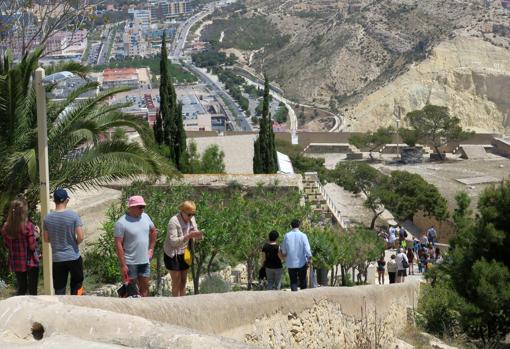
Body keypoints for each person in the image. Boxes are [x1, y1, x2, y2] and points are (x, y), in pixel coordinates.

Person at [43, 188, 84, 295]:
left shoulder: (47, 218)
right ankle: (78, 305)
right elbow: (81, 236)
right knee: (77, 284)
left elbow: (46, 239)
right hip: (73, 256)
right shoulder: (74, 216)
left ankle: (60, 309)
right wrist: (75, 243)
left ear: (54, 201)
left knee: (59, 289)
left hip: (58, 259)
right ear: (66, 200)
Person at [114, 195, 157, 297]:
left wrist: (151, 248)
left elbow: (154, 231)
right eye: (140, 207)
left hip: (144, 261)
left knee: (145, 291)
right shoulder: (121, 223)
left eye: (143, 207)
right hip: (130, 263)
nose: (142, 209)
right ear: (131, 207)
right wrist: (123, 265)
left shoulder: (146, 217)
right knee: (131, 293)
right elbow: (118, 243)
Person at [163, 201, 203, 297]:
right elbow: (173, 242)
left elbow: (195, 233)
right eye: (189, 214)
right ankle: (176, 304)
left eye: (193, 214)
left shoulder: (192, 219)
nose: (191, 217)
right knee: (176, 282)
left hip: (185, 252)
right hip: (173, 254)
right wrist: (188, 236)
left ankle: (184, 303)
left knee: (184, 280)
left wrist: (199, 236)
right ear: (182, 211)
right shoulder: (173, 221)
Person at [1, 199, 40, 295]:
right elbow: (32, 246)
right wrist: (37, 235)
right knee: (32, 290)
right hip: (30, 261)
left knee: (22, 288)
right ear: (24, 212)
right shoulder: (28, 226)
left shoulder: (6, 227)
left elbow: (7, 245)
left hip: (16, 262)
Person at [281, 219, 312, 292]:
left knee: (293, 281)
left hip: (290, 262)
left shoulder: (287, 235)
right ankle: (304, 297)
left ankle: (294, 298)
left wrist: (285, 256)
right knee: (303, 280)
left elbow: (284, 250)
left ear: (291, 226)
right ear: (299, 225)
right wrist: (310, 258)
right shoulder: (303, 235)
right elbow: (307, 249)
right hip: (301, 262)